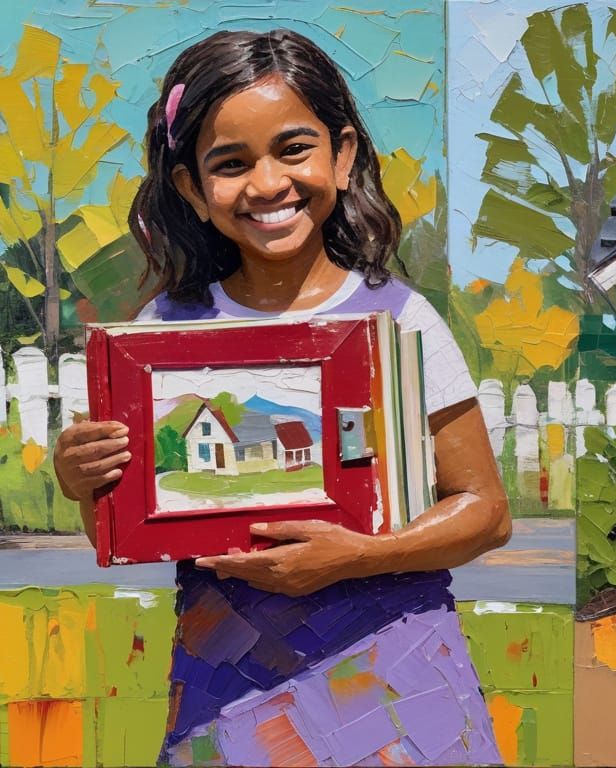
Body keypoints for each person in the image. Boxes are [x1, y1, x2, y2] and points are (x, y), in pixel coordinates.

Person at [51, 29, 509, 766]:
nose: (267, 185)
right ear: (191, 190)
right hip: (231, 683)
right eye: (230, 164)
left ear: (344, 155)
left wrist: (361, 555)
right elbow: (129, 521)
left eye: (294, 149)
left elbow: (485, 511)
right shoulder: (162, 334)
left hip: (397, 673)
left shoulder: (399, 320)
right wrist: (85, 479)